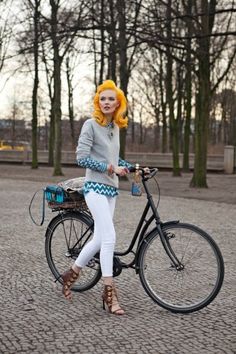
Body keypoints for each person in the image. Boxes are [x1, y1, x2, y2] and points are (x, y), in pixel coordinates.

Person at [61, 80, 134, 315]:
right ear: (98, 102)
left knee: (100, 239)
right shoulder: (90, 125)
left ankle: (71, 273)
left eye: (111, 99)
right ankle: (109, 292)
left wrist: (132, 168)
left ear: (118, 103)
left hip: (111, 189)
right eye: (102, 98)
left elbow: (114, 157)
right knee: (110, 236)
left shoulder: (115, 128)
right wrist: (110, 168)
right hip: (94, 187)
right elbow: (81, 158)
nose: (106, 102)